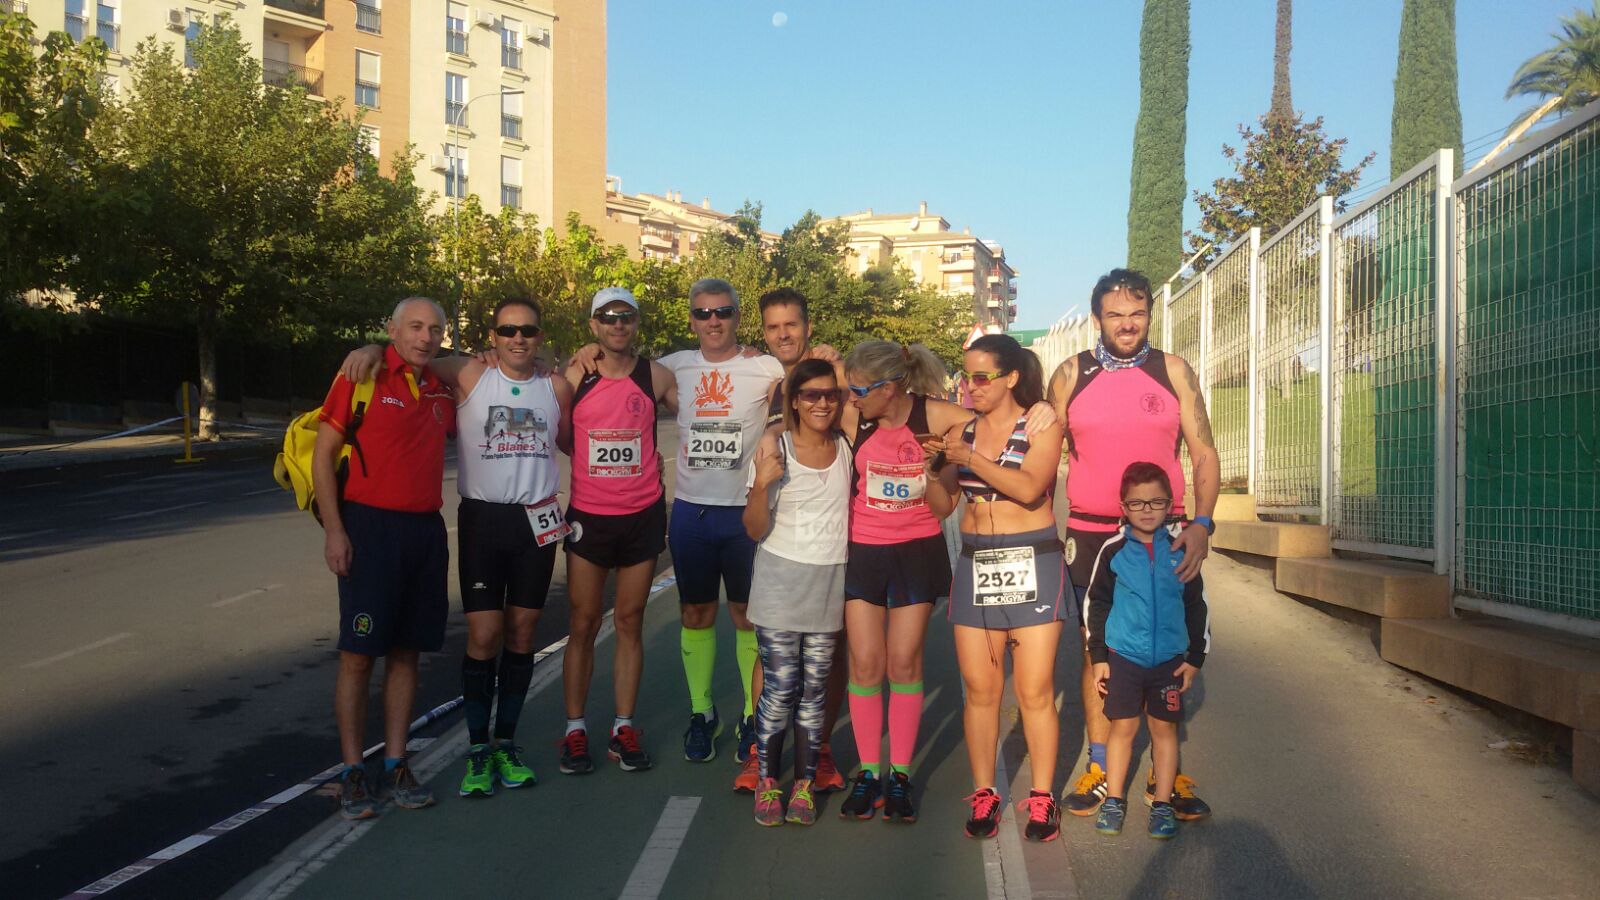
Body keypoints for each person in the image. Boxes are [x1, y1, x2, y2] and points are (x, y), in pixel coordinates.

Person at [339, 296, 573, 798]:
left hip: (536, 520)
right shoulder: (467, 373)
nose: (517, 338)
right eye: (507, 330)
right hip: (483, 518)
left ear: (539, 336)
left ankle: (506, 744)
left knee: (523, 631)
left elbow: (572, 439)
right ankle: (477, 748)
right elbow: (409, 355)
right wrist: (371, 349)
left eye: (527, 331)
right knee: (484, 634)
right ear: (492, 336)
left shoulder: (556, 386)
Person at [1049, 268, 1219, 820]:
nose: (1127, 324)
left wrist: (1202, 523)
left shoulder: (1173, 371)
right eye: (1115, 314)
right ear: (1097, 319)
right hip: (1092, 532)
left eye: (1137, 313)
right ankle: (1101, 767)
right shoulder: (1070, 374)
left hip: (1164, 532)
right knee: (1098, 648)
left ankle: (1160, 774)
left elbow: (1204, 453)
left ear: (1149, 315)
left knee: (1169, 642)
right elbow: (1042, 458)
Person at [315, 297, 456, 820]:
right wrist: (335, 531)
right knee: (358, 654)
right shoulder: (361, 376)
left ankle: (396, 762)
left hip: (424, 531)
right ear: (392, 330)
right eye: (414, 327)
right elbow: (323, 456)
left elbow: (478, 363)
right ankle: (353, 770)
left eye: (435, 329)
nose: (425, 337)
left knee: (406, 652)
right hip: (369, 528)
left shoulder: (440, 387)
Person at [927, 335, 1067, 842]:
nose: (971, 385)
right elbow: (943, 505)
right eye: (966, 375)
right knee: (982, 690)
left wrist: (971, 458)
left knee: (1034, 690)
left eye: (982, 376)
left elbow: (1029, 488)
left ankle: (1042, 797)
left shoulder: (1040, 424)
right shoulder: (961, 430)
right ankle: (984, 792)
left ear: (1010, 378)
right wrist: (933, 469)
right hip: (976, 564)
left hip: (1032, 560)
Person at [833, 340, 970, 823]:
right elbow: (800, 404)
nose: (852, 399)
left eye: (859, 390)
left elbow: (947, 502)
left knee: (903, 661)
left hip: (916, 551)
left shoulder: (935, 417)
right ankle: (869, 772)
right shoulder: (855, 419)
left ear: (889, 388)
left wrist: (942, 461)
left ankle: (901, 776)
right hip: (864, 551)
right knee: (866, 663)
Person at [658, 278, 785, 764]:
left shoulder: (764, 366)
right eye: (704, 313)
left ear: (737, 317)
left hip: (743, 514)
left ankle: (752, 715)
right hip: (691, 512)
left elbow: (808, 377)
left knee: (747, 616)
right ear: (692, 319)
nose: (714, 321)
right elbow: (616, 371)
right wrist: (587, 353)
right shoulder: (672, 367)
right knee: (695, 614)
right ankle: (702, 712)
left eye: (723, 312)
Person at [557, 287, 677, 775]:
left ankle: (623, 728)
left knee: (629, 621)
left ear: (636, 323)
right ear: (594, 325)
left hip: (642, 516)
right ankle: (575, 730)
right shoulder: (575, 375)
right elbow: (559, 435)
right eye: (607, 317)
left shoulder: (656, 375)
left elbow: (706, 411)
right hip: (590, 517)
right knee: (583, 622)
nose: (617, 324)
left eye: (626, 316)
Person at [741, 359, 851, 826]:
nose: (822, 403)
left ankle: (803, 785)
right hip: (780, 582)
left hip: (829, 582)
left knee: (815, 690)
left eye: (830, 394)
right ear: (795, 401)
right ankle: (768, 782)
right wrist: (761, 486)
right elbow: (753, 529)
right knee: (782, 686)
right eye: (811, 395)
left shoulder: (847, 445)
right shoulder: (775, 447)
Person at [1084, 462, 1210, 839]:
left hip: (1168, 663)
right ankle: (1114, 800)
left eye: (1156, 502)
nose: (1147, 510)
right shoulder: (1113, 551)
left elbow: (1196, 606)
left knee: (1164, 731)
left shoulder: (1181, 550)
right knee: (1122, 729)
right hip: (1124, 659)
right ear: (1123, 507)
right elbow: (1097, 604)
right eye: (1137, 503)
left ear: (1170, 504)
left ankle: (1162, 804)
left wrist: (1195, 658)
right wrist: (1099, 658)